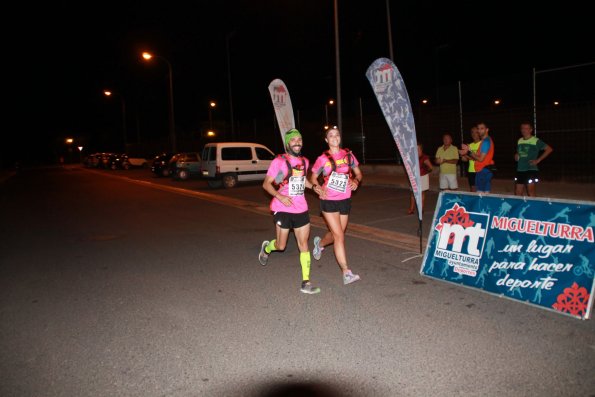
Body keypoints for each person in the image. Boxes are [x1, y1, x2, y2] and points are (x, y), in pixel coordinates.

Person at [259, 129, 323, 294]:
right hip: (282, 208)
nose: (297, 142)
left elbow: (302, 182)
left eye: (299, 139)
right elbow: (267, 184)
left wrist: (314, 186)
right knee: (281, 246)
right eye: (293, 140)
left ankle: (306, 282)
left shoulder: (305, 161)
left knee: (304, 245)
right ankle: (267, 248)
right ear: (288, 143)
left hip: (301, 208)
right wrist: (280, 196)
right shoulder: (279, 161)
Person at [309, 127, 362, 285]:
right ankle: (346, 272)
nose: (334, 138)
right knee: (339, 236)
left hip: (345, 199)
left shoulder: (348, 155)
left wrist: (356, 181)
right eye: (331, 136)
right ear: (326, 140)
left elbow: (358, 173)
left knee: (335, 234)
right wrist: (317, 187)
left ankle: (319, 244)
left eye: (337, 135)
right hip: (328, 200)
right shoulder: (322, 159)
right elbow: (313, 178)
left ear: (340, 138)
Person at [514, 122, 553, 197]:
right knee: (518, 193)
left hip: (531, 169)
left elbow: (549, 149)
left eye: (526, 128)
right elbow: (519, 153)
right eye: (522, 128)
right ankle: (521, 208)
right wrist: (516, 155)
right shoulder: (519, 140)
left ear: (531, 130)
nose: (524, 130)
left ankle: (534, 208)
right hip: (520, 169)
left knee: (531, 192)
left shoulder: (536, 141)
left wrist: (538, 160)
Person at [460, 122, 494, 193]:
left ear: (487, 130)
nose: (479, 131)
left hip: (483, 170)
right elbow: (478, 157)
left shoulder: (485, 142)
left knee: (480, 195)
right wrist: (465, 154)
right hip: (482, 170)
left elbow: (480, 159)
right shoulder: (485, 141)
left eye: (482, 128)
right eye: (478, 129)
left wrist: (468, 152)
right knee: (482, 194)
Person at [408, 143, 433, 214]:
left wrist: (425, 171)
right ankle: (411, 209)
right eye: (415, 149)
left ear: (421, 149)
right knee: (413, 193)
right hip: (414, 177)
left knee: (422, 193)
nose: (416, 150)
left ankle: (421, 209)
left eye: (418, 148)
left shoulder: (424, 157)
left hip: (423, 177)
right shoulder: (412, 157)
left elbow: (431, 168)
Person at [460, 126, 481, 192]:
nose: (474, 134)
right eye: (472, 132)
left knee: (480, 190)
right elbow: (465, 159)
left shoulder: (482, 144)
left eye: (476, 132)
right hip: (471, 170)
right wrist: (462, 156)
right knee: (472, 190)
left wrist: (467, 156)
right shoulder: (469, 145)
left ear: (479, 133)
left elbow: (479, 158)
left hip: (480, 170)